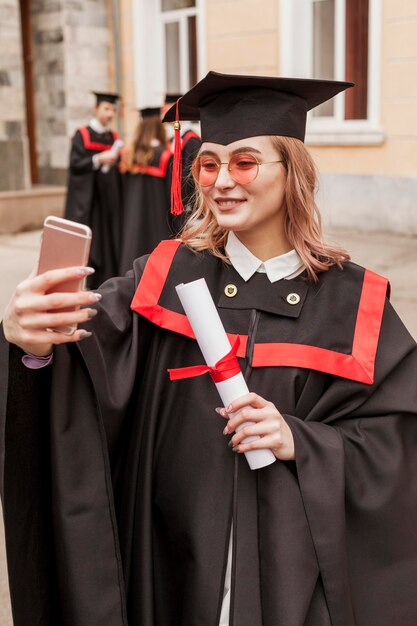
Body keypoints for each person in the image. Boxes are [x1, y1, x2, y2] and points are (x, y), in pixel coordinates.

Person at [2, 71, 417, 626]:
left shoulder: (353, 301)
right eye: (208, 163)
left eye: (245, 162)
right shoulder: (161, 277)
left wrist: (303, 441)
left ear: (294, 172)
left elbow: (397, 446)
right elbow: (78, 370)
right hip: (172, 564)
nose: (222, 180)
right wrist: (32, 342)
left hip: (291, 579)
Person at [64, 91, 123, 288]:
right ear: (95, 109)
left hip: (106, 201)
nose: (110, 114)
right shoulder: (82, 135)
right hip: (88, 201)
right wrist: (98, 159)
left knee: (106, 241)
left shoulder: (112, 137)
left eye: (113, 110)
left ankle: (104, 281)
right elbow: (75, 165)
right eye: (106, 109)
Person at [118, 107, 173, 275]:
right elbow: (172, 194)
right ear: (159, 127)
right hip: (158, 219)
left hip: (132, 218)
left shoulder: (129, 155)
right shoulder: (164, 156)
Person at [162, 92, 201, 218]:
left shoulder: (192, 141)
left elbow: (191, 175)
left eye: (169, 109)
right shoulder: (172, 139)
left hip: (186, 205)